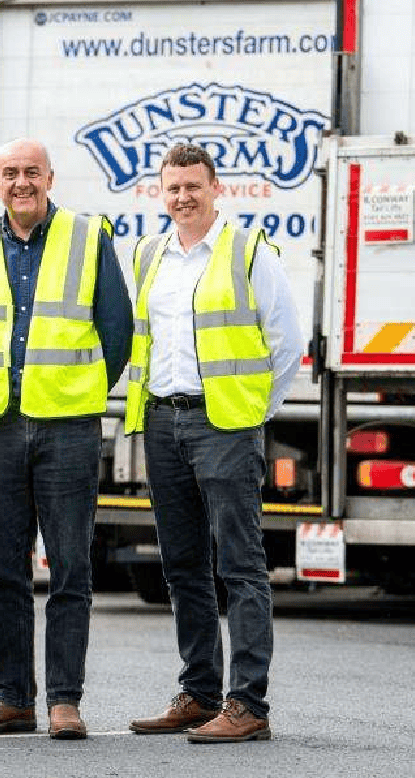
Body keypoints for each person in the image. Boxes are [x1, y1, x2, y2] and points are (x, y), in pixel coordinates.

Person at [125, 143, 303, 743]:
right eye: (172, 188)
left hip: (224, 425)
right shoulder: (150, 254)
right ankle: (199, 693)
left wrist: (253, 412)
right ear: (161, 191)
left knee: (241, 566)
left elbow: (286, 344)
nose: (182, 198)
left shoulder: (248, 252)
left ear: (215, 187)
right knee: (182, 565)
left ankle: (248, 704)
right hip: (163, 421)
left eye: (192, 187)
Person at [0, 139, 133, 740]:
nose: (21, 182)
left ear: (50, 178)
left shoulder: (88, 237)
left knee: (70, 570)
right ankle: (12, 698)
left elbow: (117, 332)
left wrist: (76, 393)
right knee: (3, 571)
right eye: (10, 173)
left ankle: (64, 701)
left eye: (32, 172)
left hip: (68, 430)